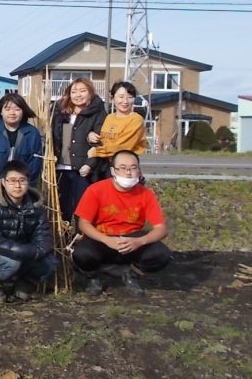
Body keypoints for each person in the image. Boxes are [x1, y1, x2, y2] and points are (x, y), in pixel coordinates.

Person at [73, 150, 172, 296]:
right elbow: (83, 224)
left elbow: (161, 229)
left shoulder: (146, 194)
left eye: (133, 168)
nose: (129, 172)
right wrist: (107, 240)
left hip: (132, 238)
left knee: (161, 254)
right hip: (103, 237)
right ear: (113, 170)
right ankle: (93, 276)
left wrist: (139, 242)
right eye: (123, 168)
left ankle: (132, 274)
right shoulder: (96, 190)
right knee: (82, 254)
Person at [0, 160, 57, 303]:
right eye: (12, 181)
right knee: (12, 264)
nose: (17, 185)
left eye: (22, 180)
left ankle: (24, 285)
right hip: (4, 255)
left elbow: (44, 234)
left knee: (51, 262)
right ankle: (3, 286)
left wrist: (37, 251)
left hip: (28, 252)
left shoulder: (35, 205)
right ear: (4, 182)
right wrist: (21, 251)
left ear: (28, 182)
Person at [51, 78, 106, 221]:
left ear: (90, 93)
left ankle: (81, 240)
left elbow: (101, 142)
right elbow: (52, 136)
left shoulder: (98, 113)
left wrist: (90, 164)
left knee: (82, 210)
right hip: (60, 168)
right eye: (74, 91)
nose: (78, 95)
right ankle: (64, 240)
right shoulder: (60, 111)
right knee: (62, 209)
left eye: (83, 91)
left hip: (83, 170)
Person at [0, 92, 43, 198]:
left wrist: (19, 185)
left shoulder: (32, 133)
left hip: (22, 190)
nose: (12, 113)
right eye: (7, 109)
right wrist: (1, 185)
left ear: (23, 111)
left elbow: (35, 164)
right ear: (1, 112)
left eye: (17, 109)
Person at [88, 81, 148, 171]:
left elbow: (122, 146)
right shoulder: (109, 117)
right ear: (113, 98)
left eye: (130, 97)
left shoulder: (136, 119)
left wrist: (97, 152)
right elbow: (103, 140)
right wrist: (91, 136)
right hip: (104, 164)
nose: (125, 101)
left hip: (125, 166)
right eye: (121, 97)